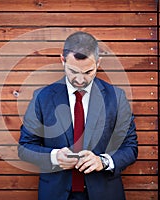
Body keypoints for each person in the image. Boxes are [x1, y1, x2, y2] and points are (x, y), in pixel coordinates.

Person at [18, 31, 138, 200]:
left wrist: (102, 162)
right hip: (56, 193)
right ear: (62, 60)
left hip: (104, 193)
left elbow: (130, 148)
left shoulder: (116, 97)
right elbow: (25, 147)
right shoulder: (42, 97)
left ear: (98, 63)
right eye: (73, 71)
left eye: (88, 72)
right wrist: (54, 157)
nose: (80, 80)